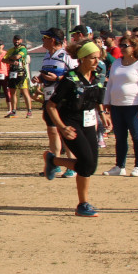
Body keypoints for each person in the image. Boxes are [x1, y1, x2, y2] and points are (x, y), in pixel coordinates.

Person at [43, 41, 109, 216]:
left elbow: (97, 100)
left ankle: (53, 161)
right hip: (71, 123)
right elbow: (51, 106)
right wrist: (62, 127)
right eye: (93, 58)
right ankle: (83, 204)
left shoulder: (97, 77)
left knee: (91, 166)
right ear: (82, 59)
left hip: (88, 122)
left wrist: (103, 115)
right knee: (86, 163)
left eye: (98, 58)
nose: (97, 61)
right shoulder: (70, 79)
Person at [102, 35, 138, 177]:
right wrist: (107, 101)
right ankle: (120, 166)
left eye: (125, 46)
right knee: (120, 137)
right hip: (117, 106)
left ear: (134, 47)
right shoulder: (117, 63)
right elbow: (110, 83)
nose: (122, 48)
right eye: (121, 45)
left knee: (136, 136)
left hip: (134, 106)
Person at [38, 28, 78, 177]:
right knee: (52, 130)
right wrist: (41, 79)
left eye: (45, 38)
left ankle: (72, 164)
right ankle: (55, 164)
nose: (43, 41)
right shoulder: (47, 56)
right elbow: (45, 75)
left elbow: (75, 75)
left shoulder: (66, 55)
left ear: (53, 40)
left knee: (64, 131)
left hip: (63, 99)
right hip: (49, 98)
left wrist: (58, 79)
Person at [3, 35, 31, 117]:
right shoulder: (11, 50)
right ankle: (13, 111)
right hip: (12, 72)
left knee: (24, 92)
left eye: (18, 40)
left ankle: (29, 111)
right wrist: (11, 61)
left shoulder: (23, 49)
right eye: (15, 40)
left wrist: (10, 58)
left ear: (21, 40)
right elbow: (3, 59)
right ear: (13, 40)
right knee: (12, 92)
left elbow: (17, 56)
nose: (16, 41)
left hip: (21, 73)